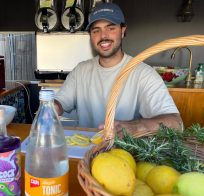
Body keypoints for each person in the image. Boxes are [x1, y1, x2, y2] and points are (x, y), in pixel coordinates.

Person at [54, 2, 182, 135]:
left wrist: (135, 127)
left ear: (123, 31)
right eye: (96, 30)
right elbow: (60, 103)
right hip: (86, 149)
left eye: (111, 28)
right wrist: (52, 107)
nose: (103, 36)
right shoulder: (80, 71)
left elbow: (176, 123)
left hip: (125, 151)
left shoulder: (143, 73)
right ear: (91, 36)